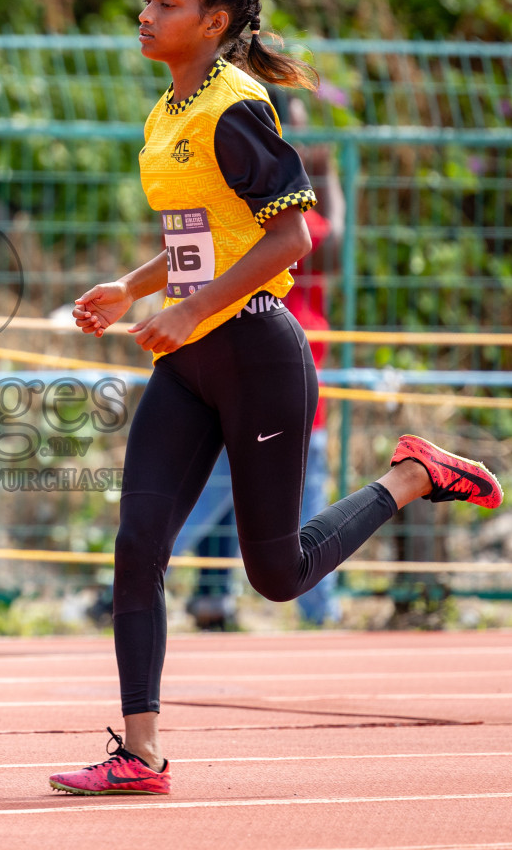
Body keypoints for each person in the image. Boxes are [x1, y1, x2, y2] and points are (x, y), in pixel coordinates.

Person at [48, 0, 501, 797]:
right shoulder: (167, 112)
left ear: (213, 23)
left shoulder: (236, 108)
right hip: (189, 362)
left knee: (277, 575)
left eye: (166, 2)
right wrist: (134, 286)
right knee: (138, 544)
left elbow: (293, 236)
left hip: (257, 352)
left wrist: (187, 310)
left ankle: (411, 477)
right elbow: (206, 234)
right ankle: (140, 755)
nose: (145, 15)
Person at [178, 96, 344, 630]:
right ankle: (321, 610)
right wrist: (326, 174)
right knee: (235, 498)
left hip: (271, 375)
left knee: (227, 499)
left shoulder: (276, 212)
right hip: (264, 379)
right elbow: (330, 243)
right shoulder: (275, 214)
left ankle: (152, 576)